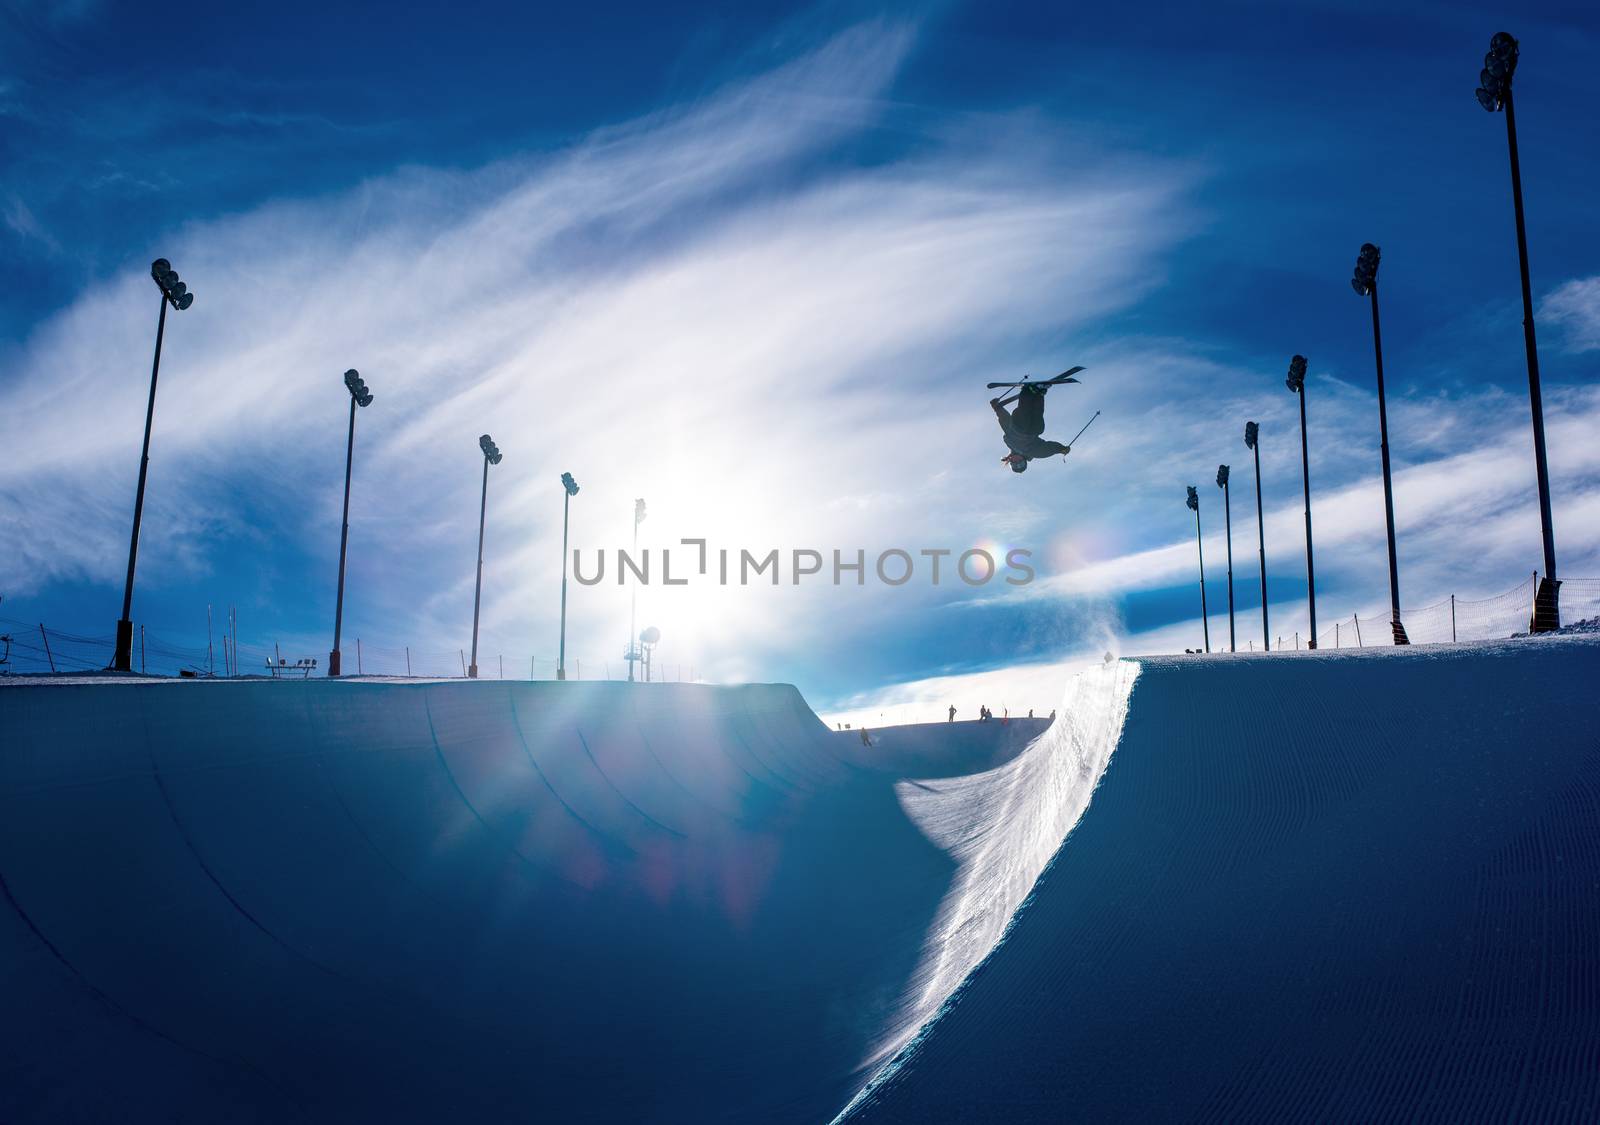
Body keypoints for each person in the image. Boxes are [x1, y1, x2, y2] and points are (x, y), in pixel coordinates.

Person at [992, 385, 1071, 473]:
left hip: (1019, 425)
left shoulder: (1010, 443)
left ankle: (1028, 391)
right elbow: (1049, 449)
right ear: (1024, 461)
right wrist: (1061, 449)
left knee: (1024, 415)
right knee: (1037, 417)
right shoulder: (1033, 452)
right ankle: (1039, 394)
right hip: (1034, 430)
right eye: (1019, 463)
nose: (1016, 460)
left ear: (1010, 461)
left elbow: (1005, 422)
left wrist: (997, 408)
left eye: (1014, 463)